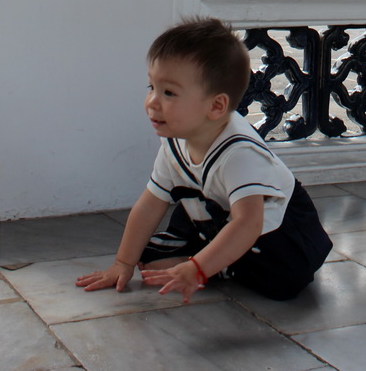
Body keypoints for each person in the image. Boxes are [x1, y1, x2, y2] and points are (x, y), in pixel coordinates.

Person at [76, 18, 332, 302]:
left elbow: (248, 223)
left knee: (283, 281)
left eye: (169, 92)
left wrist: (198, 268)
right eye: (151, 87)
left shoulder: (240, 154)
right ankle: (216, 259)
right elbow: (150, 203)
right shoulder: (175, 141)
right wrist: (122, 263)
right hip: (216, 213)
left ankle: (219, 264)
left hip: (273, 230)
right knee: (148, 261)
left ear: (216, 105)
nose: (152, 102)